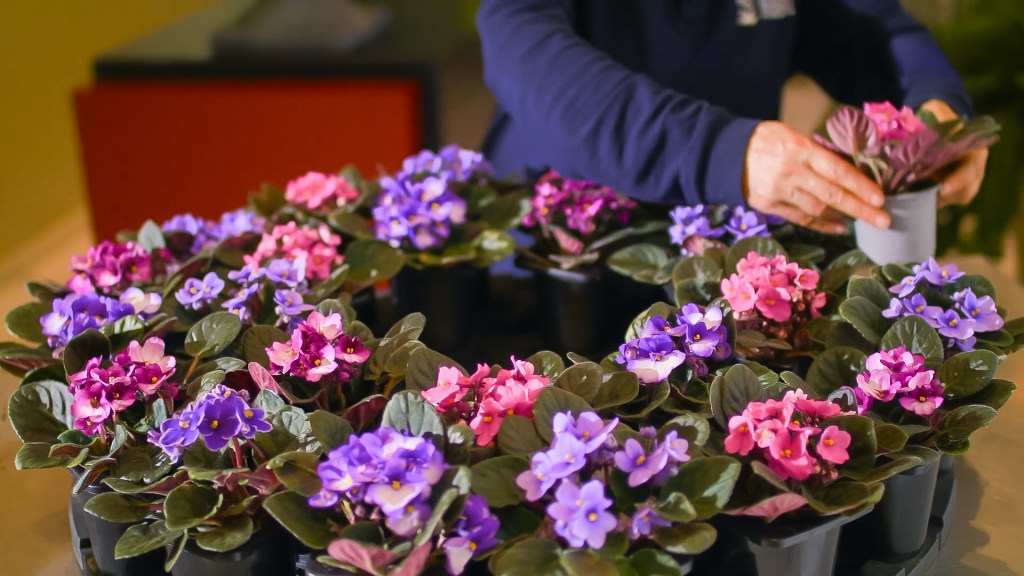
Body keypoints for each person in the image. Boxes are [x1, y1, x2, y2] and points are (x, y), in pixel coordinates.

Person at [476, 0, 989, 234]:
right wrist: (726, 153)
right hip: (555, 266)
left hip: (723, 270)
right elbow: (520, 49)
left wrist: (938, 110)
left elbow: (876, 30)